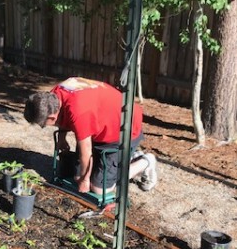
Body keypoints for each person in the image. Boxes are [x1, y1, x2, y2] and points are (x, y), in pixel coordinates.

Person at [24, 76, 157, 195]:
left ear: (52, 117)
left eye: (44, 124)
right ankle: (124, 159)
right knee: (76, 177)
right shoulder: (54, 96)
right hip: (100, 126)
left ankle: (145, 161)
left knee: (99, 189)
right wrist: (62, 138)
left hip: (124, 130)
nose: (45, 126)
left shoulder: (79, 112)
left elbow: (86, 150)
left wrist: (85, 180)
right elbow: (63, 116)